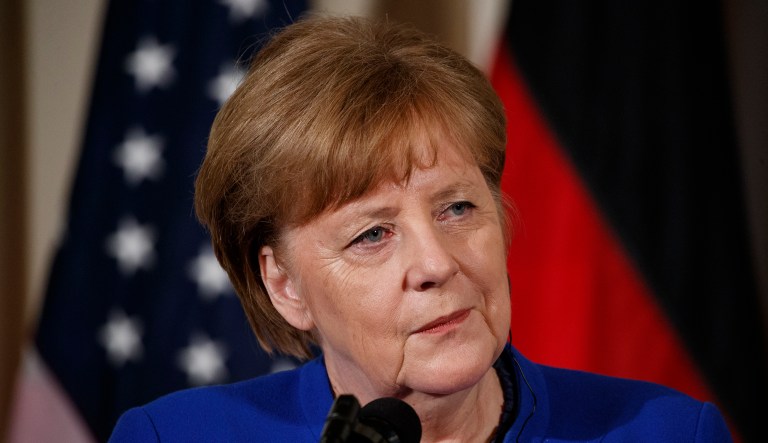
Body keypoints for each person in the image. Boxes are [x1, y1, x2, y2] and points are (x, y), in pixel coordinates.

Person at [109, 15, 732, 442]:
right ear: (285, 285)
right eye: (372, 234)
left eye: (457, 208)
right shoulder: (174, 437)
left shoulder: (669, 433)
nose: (437, 263)